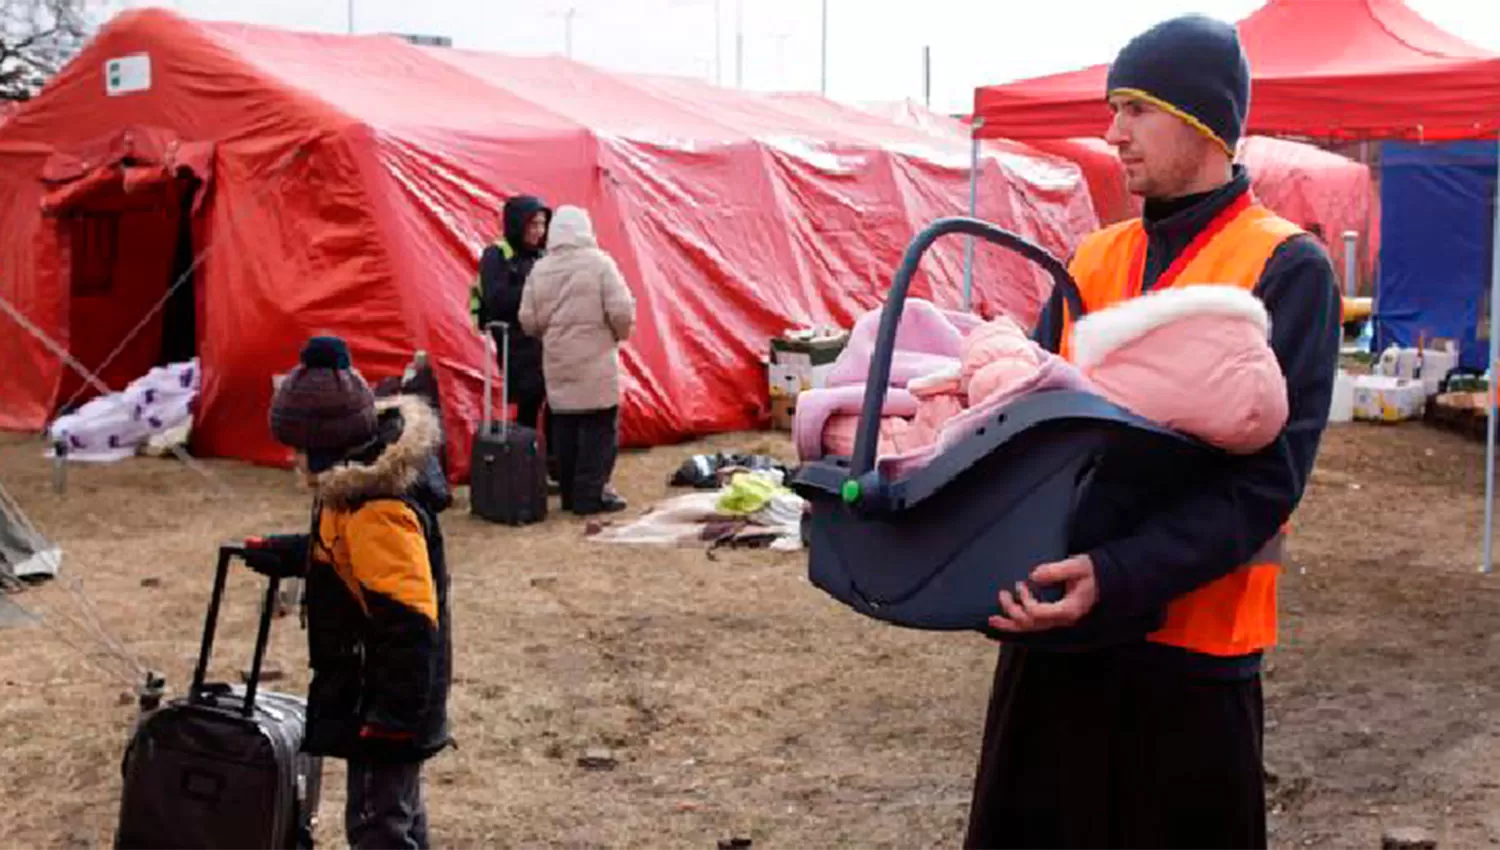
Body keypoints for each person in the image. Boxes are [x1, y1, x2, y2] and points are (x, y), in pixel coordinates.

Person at [963, 14, 1340, 850]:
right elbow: (1021, 425)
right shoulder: (1093, 259)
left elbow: (1265, 483)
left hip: (1193, 653)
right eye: (1113, 108)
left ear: (1203, 119)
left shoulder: (1284, 266)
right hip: (1059, 635)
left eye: (1135, 108)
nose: (1113, 132)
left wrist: (1119, 570)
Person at [242, 335, 453, 850]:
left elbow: (408, 623)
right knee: (396, 812)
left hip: (389, 700)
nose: (293, 458)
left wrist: (391, 721)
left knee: (377, 823)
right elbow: (346, 560)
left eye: (297, 447)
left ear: (322, 445)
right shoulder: (353, 488)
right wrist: (291, 552)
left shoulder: (377, 508)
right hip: (380, 692)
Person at [518, 205, 636, 515]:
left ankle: (570, 494)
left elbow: (528, 320)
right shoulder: (600, 264)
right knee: (599, 430)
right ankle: (591, 495)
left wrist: (551, 334)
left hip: (557, 361)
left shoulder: (540, 269)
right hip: (596, 359)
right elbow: (622, 310)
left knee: (566, 428)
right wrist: (618, 334)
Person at [471, 194, 557, 479]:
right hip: (516, 339)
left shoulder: (543, 256)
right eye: (532, 225)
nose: (538, 231)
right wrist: (535, 292)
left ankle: (550, 462)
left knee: (555, 400)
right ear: (518, 224)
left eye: (542, 225)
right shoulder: (497, 254)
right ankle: (526, 464)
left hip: (546, 337)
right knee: (530, 399)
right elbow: (497, 299)